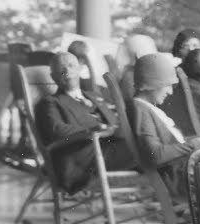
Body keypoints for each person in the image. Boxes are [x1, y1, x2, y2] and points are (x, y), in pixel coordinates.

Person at [32, 49, 134, 191]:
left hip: (105, 152)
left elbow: (113, 123)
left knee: (152, 146)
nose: (67, 71)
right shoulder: (49, 103)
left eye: (71, 66)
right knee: (148, 149)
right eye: (61, 68)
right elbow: (57, 130)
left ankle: (168, 198)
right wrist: (96, 130)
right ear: (53, 76)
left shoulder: (94, 96)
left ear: (80, 69)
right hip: (80, 159)